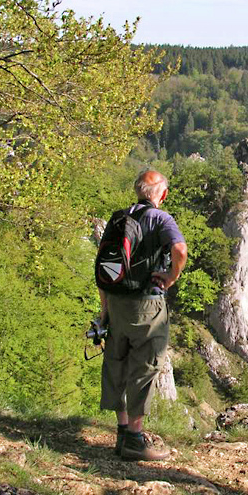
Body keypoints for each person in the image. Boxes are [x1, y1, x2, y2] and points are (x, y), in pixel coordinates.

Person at [98, 170, 187, 461]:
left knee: (117, 363)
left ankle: (122, 433)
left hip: (116, 302)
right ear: (162, 194)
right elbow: (179, 249)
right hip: (146, 306)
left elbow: (103, 271)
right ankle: (135, 439)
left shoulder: (118, 218)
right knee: (145, 366)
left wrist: (105, 312)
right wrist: (171, 277)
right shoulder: (161, 219)